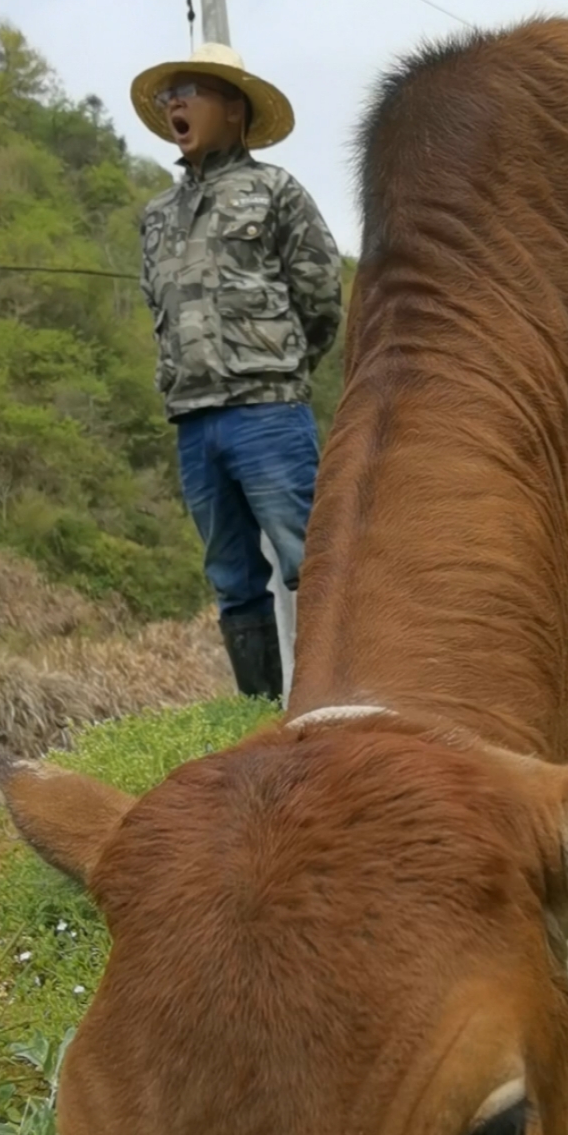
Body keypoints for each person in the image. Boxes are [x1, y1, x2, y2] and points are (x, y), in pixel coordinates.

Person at [131, 42, 342, 702]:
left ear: (233, 108)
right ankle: (260, 719)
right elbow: (156, 307)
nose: (176, 104)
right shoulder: (156, 218)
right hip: (194, 423)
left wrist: (273, 365)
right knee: (231, 578)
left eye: (190, 91)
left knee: (313, 562)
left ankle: (333, 708)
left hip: (267, 413)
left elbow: (320, 297)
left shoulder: (275, 190)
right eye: (170, 96)